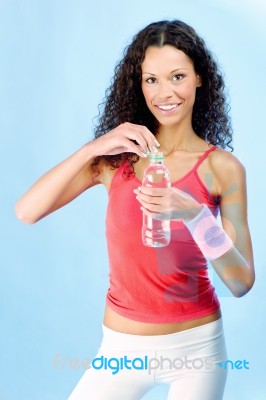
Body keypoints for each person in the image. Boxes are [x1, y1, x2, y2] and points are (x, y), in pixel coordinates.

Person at [15, 20, 255, 400]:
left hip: (198, 350)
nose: (165, 93)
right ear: (138, 85)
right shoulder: (115, 161)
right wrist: (91, 149)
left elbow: (241, 282)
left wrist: (194, 214)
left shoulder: (223, 168)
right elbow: (26, 211)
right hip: (120, 350)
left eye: (177, 76)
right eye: (151, 80)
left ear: (199, 79)